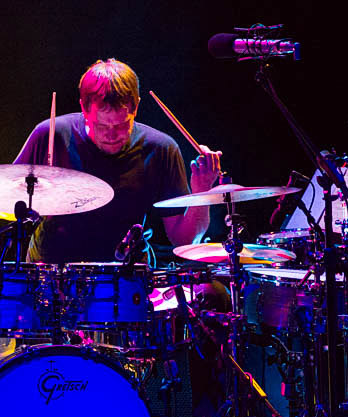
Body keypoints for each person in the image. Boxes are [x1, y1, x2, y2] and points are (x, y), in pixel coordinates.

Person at [13, 58, 222, 264]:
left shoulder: (161, 149)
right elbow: (5, 196)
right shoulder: (51, 134)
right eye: (101, 126)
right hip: (49, 272)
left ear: (136, 107)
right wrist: (31, 205)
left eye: (122, 125)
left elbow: (184, 240)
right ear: (84, 108)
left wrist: (202, 189)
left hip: (127, 274)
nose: (112, 135)